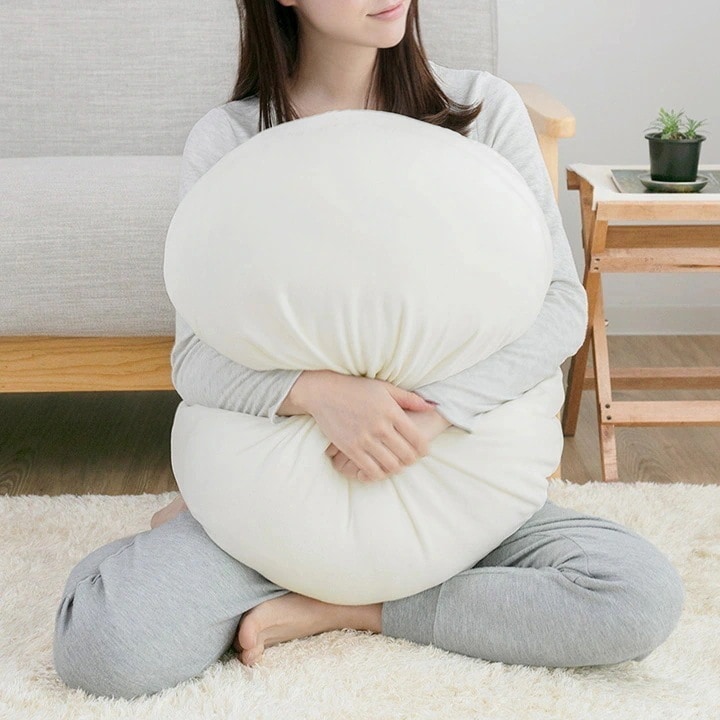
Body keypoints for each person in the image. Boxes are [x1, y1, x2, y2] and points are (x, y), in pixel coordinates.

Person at [53, 0, 685, 700]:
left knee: (638, 597)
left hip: (460, 494)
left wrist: (434, 412)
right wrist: (322, 395)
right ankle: (244, 544)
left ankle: (347, 609)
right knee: (105, 645)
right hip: (276, 507)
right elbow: (195, 359)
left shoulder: (481, 109)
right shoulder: (232, 137)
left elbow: (559, 305)